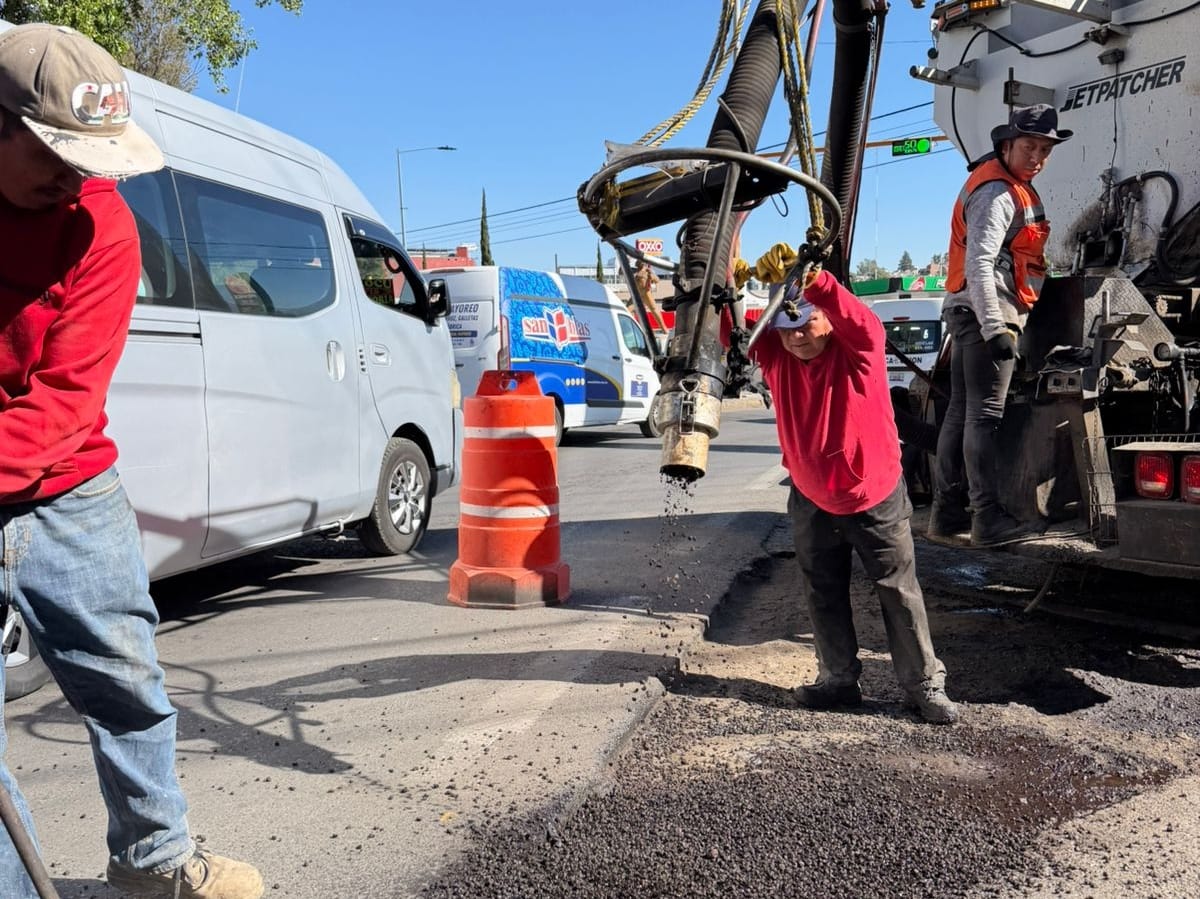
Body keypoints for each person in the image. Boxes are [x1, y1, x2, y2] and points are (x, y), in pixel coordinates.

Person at [0, 24, 263, 899]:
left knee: (126, 683)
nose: (76, 178)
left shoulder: (104, 224)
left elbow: (63, 404)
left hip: (72, 487)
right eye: (57, 156)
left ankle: (152, 864)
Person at [750, 263, 958, 725]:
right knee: (822, 591)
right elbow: (731, 315)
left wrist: (817, 281)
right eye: (786, 327)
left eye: (806, 323)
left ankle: (923, 685)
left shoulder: (859, 350)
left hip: (874, 495)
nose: (796, 336)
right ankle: (838, 680)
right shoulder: (777, 358)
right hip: (811, 497)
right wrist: (732, 260)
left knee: (898, 591)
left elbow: (862, 320)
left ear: (828, 318)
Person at [930, 104, 1072, 547]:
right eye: (1030, 146)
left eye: (1045, 150)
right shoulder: (997, 192)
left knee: (961, 413)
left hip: (967, 312)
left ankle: (946, 515)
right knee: (984, 416)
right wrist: (996, 329)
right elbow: (980, 262)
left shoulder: (1006, 186)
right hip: (985, 315)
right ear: (1006, 145)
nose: (1038, 157)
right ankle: (987, 520)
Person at [633, 259, 668, 333]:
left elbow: (657, 280)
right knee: (629, 310)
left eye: (641, 262)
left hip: (646, 293)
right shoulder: (635, 271)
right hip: (637, 294)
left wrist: (652, 277)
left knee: (654, 310)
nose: (639, 263)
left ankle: (664, 328)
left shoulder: (648, 271)